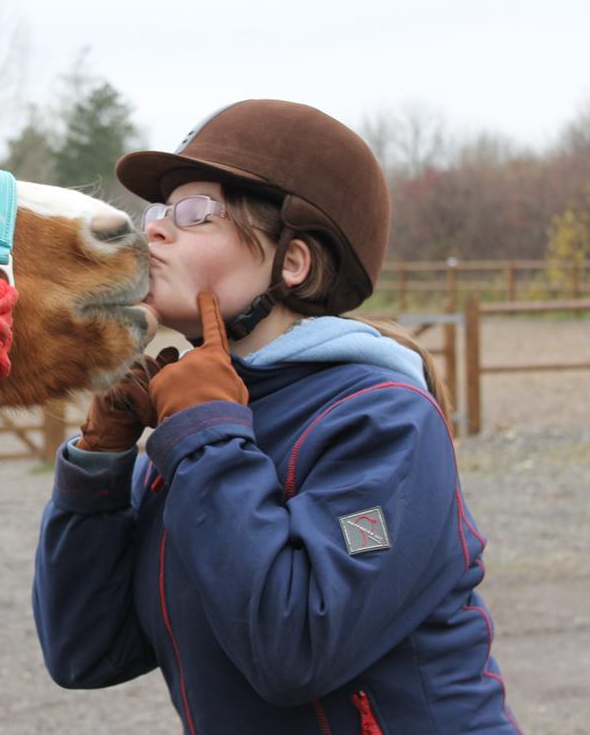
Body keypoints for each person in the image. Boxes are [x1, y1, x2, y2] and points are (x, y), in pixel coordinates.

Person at [31, 100, 519, 734]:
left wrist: (206, 438)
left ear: (292, 263)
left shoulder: (384, 421)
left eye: (195, 213)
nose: (151, 230)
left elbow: (298, 649)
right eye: (157, 211)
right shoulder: (196, 422)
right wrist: (99, 463)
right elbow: (84, 651)